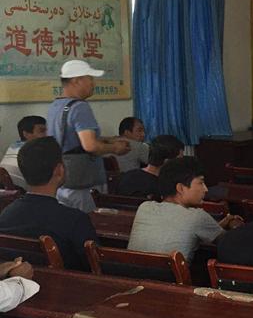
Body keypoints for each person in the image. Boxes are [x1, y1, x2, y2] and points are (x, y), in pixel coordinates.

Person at [0, 137, 98, 271]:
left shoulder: (6, 215)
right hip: (65, 284)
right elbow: (96, 266)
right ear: (59, 170)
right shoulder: (75, 220)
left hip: (19, 282)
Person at [47, 60, 130, 213]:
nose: (93, 83)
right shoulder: (80, 107)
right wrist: (115, 148)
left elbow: (71, 140)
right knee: (87, 221)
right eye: (90, 78)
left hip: (62, 179)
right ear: (76, 80)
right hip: (83, 183)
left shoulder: (56, 106)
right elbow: (90, 145)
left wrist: (108, 139)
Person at [127, 156, 243, 263]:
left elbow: (179, 229)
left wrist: (218, 226)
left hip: (131, 276)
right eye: (201, 183)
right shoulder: (197, 217)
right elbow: (227, 243)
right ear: (181, 188)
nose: (205, 189)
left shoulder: (145, 207)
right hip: (172, 278)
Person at [116, 134, 184, 199]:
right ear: (167, 162)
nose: (182, 164)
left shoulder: (127, 176)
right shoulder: (164, 188)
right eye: (180, 161)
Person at [0, 115, 47, 190]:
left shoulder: (13, 146)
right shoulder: (34, 151)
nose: (46, 134)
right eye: (42, 131)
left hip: (5, 189)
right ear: (26, 134)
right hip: (19, 191)